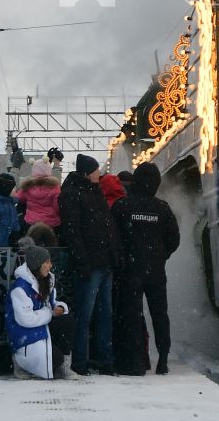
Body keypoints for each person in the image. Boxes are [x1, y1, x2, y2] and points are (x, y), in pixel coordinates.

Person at [112, 161, 180, 375]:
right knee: (160, 314)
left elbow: (114, 238)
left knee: (132, 314)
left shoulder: (122, 206)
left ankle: (135, 360)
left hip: (131, 271)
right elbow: (174, 239)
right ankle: (163, 358)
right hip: (156, 271)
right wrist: (161, 256)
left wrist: (124, 258)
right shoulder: (163, 208)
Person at [58, 153, 120, 374]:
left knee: (103, 314)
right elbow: (73, 232)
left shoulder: (89, 192)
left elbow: (103, 228)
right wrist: (83, 261)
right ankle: (82, 362)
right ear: (86, 173)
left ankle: (102, 360)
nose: (99, 173)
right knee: (87, 315)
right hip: (91, 264)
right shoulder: (73, 195)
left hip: (102, 262)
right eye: (95, 170)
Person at [5, 244, 67, 380]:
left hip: (40, 328)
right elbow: (26, 319)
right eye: (47, 262)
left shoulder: (45, 280)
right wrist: (50, 313)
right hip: (25, 336)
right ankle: (20, 362)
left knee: (67, 320)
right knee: (55, 359)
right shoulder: (20, 288)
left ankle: (65, 366)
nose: (50, 265)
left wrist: (60, 308)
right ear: (37, 265)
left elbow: (52, 303)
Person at [17, 159, 61, 231]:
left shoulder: (27, 187)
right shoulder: (54, 188)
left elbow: (18, 199)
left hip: (31, 222)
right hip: (51, 223)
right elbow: (57, 208)